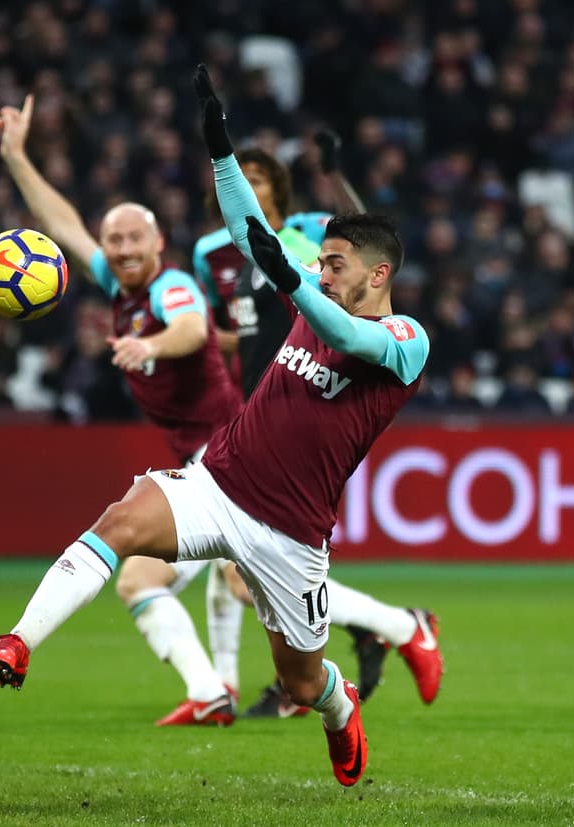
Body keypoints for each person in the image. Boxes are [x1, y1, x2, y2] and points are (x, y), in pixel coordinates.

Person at [0, 67, 434, 787]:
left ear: (377, 276)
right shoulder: (310, 289)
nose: (321, 268)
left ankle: (340, 705)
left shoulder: (407, 339)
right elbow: (249, 230)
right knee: (121, 523)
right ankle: (18, 641)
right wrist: (219, 149)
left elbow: (350, 335)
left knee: (300, 680)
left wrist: (291, 281)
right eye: (320, 261)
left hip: (291, 532)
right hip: (218, 480)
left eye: (335, 263)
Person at [128, 142, 444, 724]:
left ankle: (396, 627)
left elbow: (370, 259)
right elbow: (232, 324)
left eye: (257, 176)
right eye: (239, 175)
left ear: (278, 188)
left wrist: (332, 181)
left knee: (225, 574)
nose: (250, 183)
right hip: (249, 407)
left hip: (283, 416)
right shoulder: (213, 252)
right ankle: (219, 689)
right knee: (229, 572)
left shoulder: (304, 249)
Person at [0, 94, 243, 725]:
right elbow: (65, 222)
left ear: (159, 241)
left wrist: (149, 344)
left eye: (135, 237)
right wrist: (17, 157)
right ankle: (212, 691)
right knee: (150, 581)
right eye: (114, 240)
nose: (123, 248)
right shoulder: (117, 281)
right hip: (207, 463)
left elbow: (193, 329)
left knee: (234, 582)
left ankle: (397, 628)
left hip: (228, 462)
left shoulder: (171, 286)